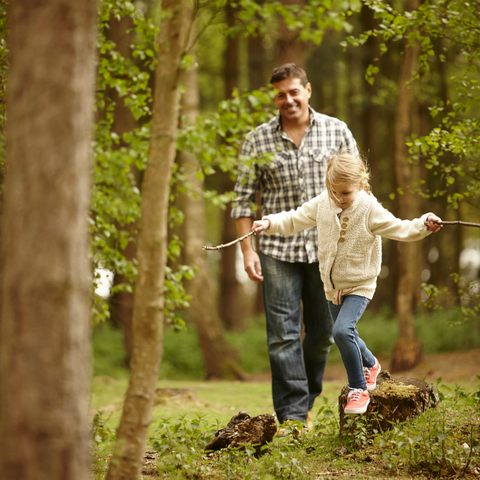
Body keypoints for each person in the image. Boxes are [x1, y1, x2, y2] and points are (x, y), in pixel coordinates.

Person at [251, 152, 443, 414]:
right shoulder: (323, 203)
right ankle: (371, 364)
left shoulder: (369, 209)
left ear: (361, 186)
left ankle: (359, 388)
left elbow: (400, 228)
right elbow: (296, 218)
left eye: (346, 193)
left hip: (360, 284)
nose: (340, 198)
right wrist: (270, 222)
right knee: (344, 333)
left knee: (342, 331)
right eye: (335, 192)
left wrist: (423, 224)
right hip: (332, 286)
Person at [231, 63, 359, 428]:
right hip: (276, 250)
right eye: (280, 94)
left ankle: (303, 399)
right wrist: (247, 249)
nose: (287, 100)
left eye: (293, 92)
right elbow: (242, 200)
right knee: (283, 336)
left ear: (308, 90)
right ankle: (292, 417)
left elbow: (358, 190)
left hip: (327, 250)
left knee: (322, 335)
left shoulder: (337, 131)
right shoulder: (257, 140)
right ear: (275, 97)